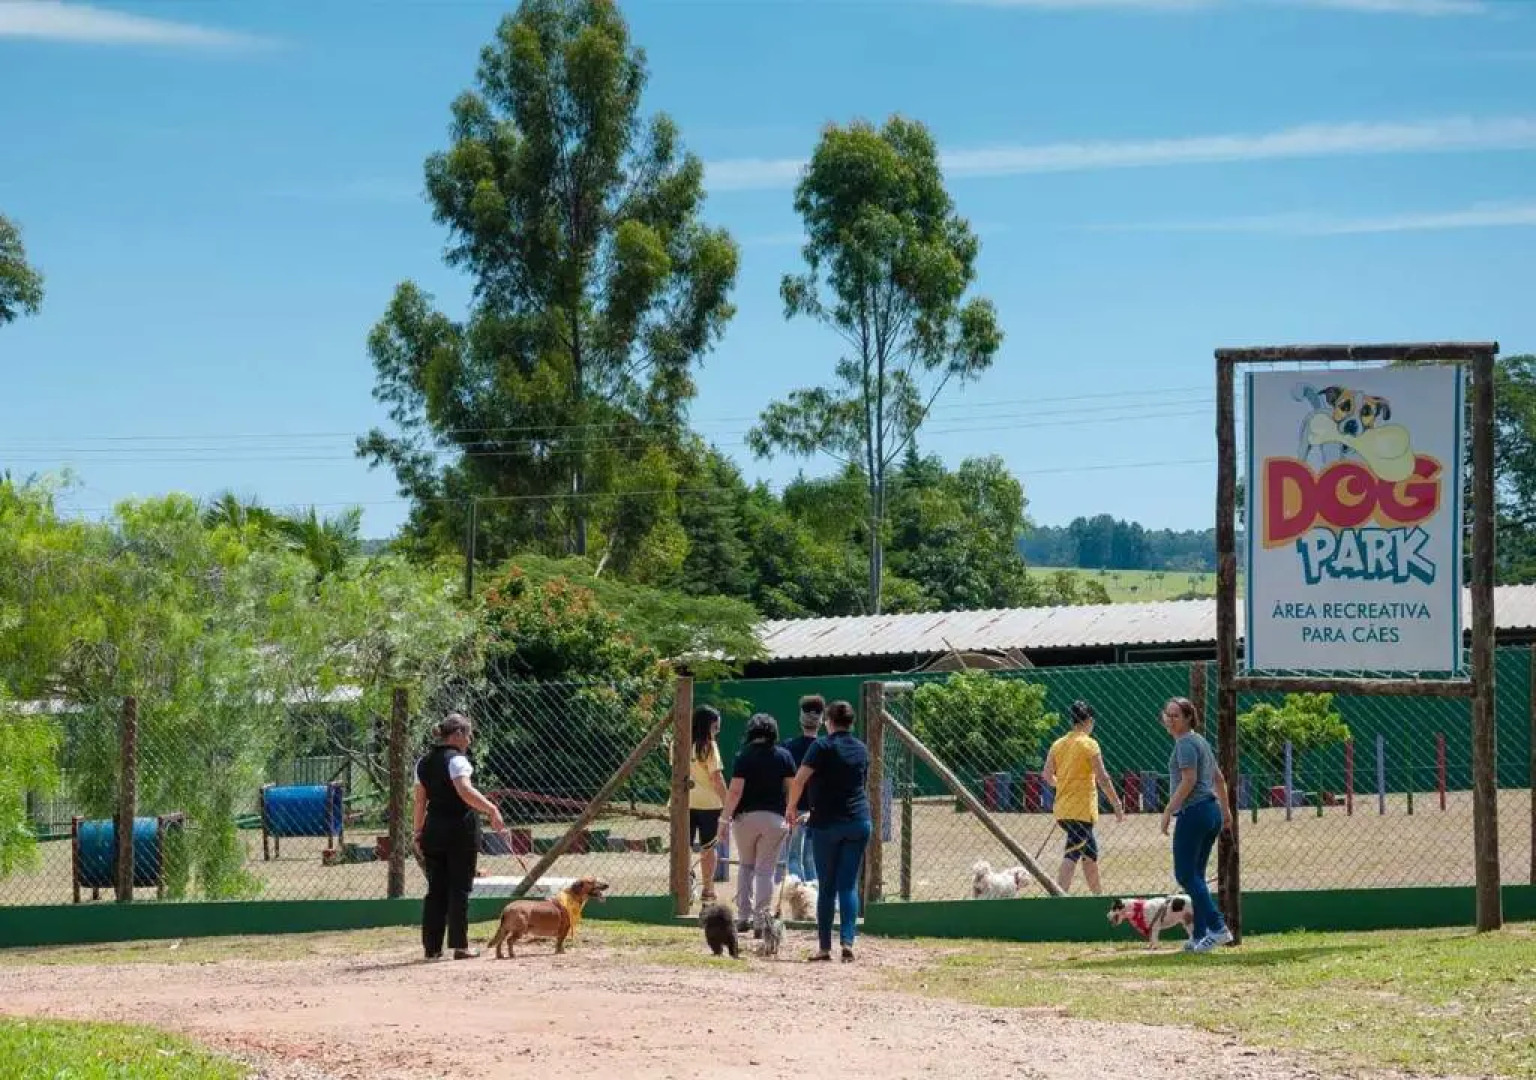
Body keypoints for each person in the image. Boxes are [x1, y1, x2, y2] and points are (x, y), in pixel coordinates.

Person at [413, 712, 505, 961]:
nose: (471, 739)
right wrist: (492, 810)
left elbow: (420, 800)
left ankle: (431, 948)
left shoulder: (423, 762)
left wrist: (418, 831)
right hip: (459, 831)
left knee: (436, 889)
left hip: (433, 830)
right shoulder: (457, 761)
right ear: (457, 734)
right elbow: (465, 791)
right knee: (459, 889)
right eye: (469, 734)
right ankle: (460, 946)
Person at [786, 699, 870, 963]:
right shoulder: (861, 748)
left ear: (828, 722)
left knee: (827, 887)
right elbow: (860, 783)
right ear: (851, 722)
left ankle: (824, 947)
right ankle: (847, 941)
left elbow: (799, 780)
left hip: (826, 824)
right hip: (858, 821)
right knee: (848, 886)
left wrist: (791, 808)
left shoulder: (820, 746)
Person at [1159, 696, 1235, 953]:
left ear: (1189, 717)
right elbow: (1219, 778)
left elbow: (1189, 780)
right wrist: (1225, 813)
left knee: (1184, 874)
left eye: (1176, 715)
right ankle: (1201, 936)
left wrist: (1169, 809)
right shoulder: (1200, 741)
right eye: (1167, 715)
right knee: (1197, 877)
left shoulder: (1185, 744)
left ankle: (1218, 927)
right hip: (1210, 812)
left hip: (1195, 812)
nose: (1170, 720)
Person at [720, 712, 796, 932]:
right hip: (774, 819)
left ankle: (743, 917)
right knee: (765, 871)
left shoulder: (743, 756)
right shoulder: (784, 756)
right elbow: (792, 788)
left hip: (745, 819)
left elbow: (734, 792)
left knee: (745, 866)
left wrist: (723, 820)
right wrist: (791, 813)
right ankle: (761, 920)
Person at [1042, 700, 1124, 894]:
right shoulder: (1090, 744)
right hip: (1082, 812)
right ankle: (1059, 897)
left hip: (1062, 810)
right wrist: (1117, 803)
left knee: (1090, 854)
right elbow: (1103, 778)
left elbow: (1046, 775)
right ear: (1090, 721)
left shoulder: (1058, 744)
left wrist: (1061, 783)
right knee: (1071, 853)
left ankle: (1098, 896)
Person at [780, 695, 824, 884]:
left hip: (794, 807)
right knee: (812, 859)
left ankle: (800, 897)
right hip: (819, 808)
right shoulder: (826, 747)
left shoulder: (788, 747)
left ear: (801, 719)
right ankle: (814, 896)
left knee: (794, 857)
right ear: (821, 720)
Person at [689, 705, 730, 902]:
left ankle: (683, 882)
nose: (717, 731)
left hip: (684, 802)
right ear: (707, 726)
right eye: (715, 727)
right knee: (708, 848)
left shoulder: (677, 743)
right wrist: (728, 801)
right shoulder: (709, 746)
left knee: (683, 847)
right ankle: (708, 887)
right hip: (709, 804)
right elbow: (716, 778)